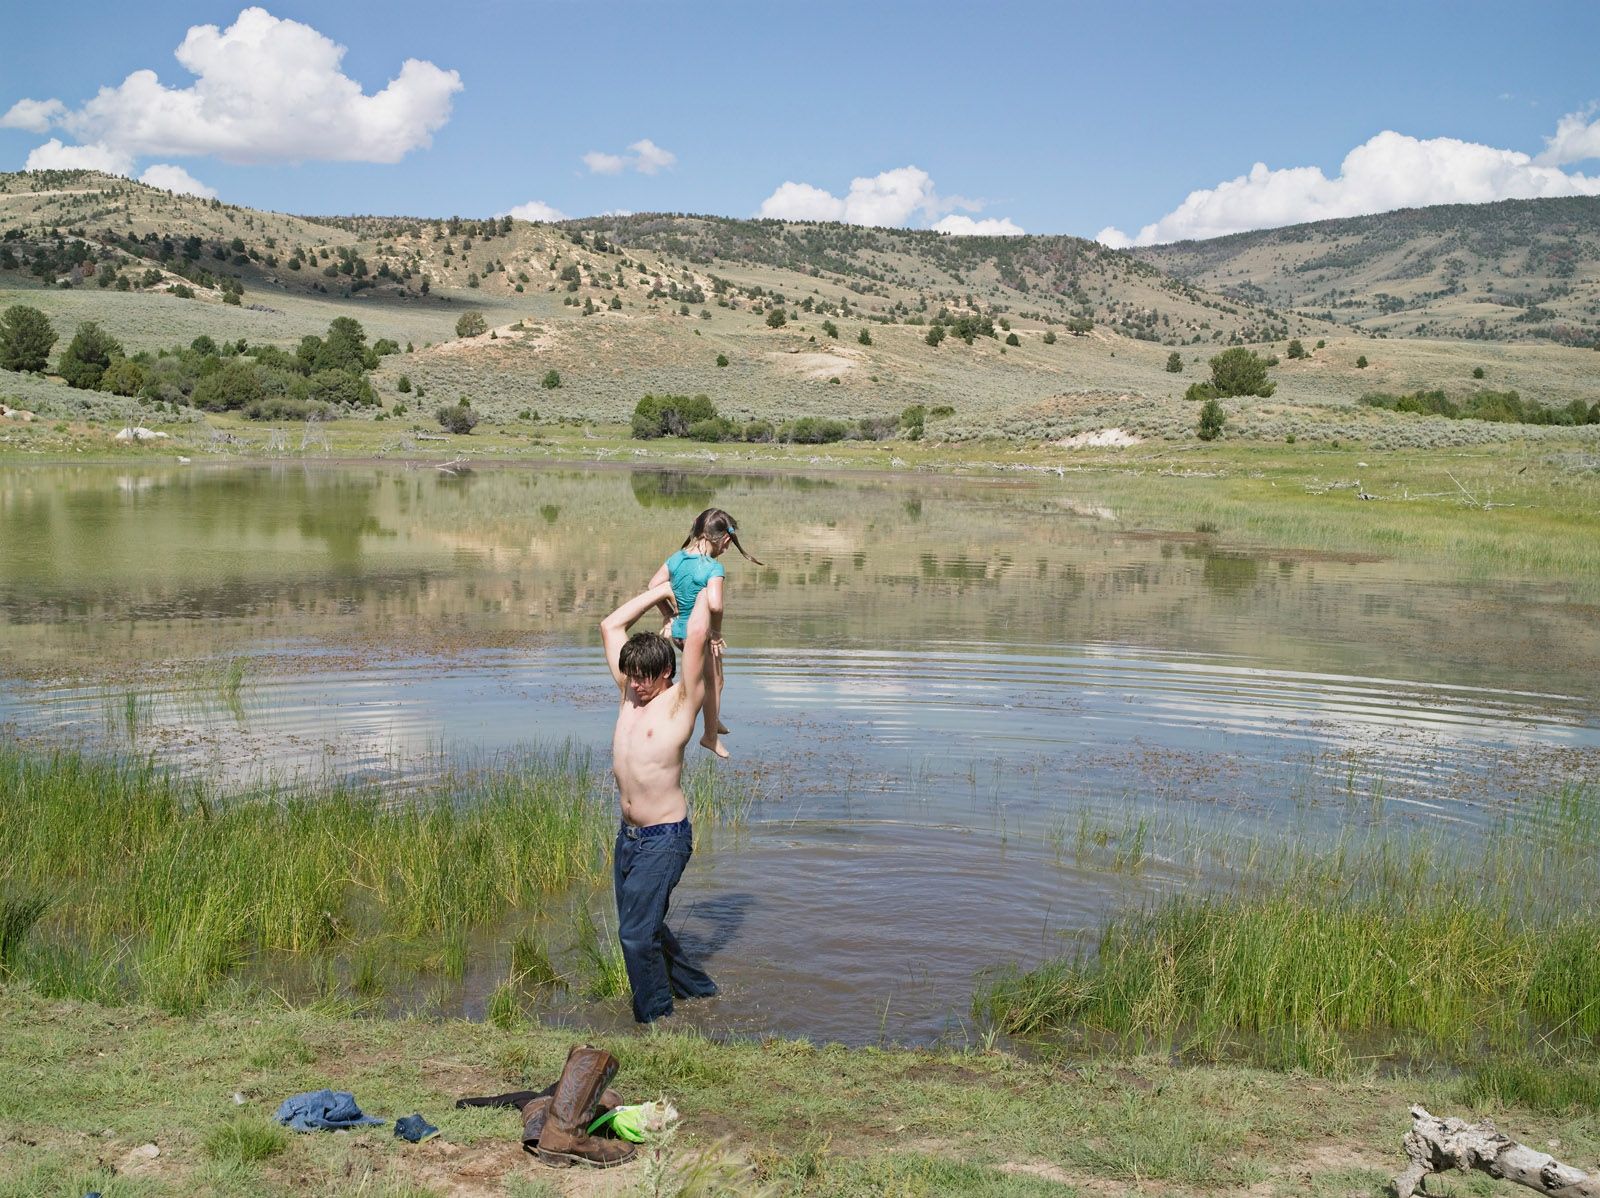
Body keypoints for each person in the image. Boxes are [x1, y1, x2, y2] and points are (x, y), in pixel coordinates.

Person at [599, 580, 721, 1024]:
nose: (635, 685)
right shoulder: (630, 695)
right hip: (628, 838)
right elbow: (611, 624)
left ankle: (657, 1020)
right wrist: (662, 589)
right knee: (646, 928)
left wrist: (702, 589)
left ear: (665, 674)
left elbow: (698, 640)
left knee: (634, 935)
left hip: (664, 837)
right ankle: (700, 991)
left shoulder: (680, 703)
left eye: (644, 677)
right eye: (630, 675)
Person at [647, 508, 762, 759]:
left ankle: (714, 719)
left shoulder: (676, 559)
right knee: (713, 683)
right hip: (699, 636)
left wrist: (668, 614)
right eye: (727, 545)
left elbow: (653, 586)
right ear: (726, 539)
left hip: (679, 634)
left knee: (714, 679)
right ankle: (710, 736)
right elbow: (716, 604)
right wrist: (716, 632)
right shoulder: (713, 568)